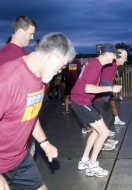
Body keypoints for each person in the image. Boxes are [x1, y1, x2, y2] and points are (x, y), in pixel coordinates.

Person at [0, 32, 76, 190]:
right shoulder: (7, 79)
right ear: (51, 57)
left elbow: (31, 115)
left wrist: (44, 143)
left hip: (20, 157)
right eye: (62, 65)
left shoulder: (41, 81)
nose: (61, 71)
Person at [70, 43, 122, 178]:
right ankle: (92, 166)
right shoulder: (95, 65)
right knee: (104, 132)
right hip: (81, 101)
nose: (115, 57)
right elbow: (88, 88)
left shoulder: (94, 62)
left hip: (81, 100)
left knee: (95, 131)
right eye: (114, 54)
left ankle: (84, 160)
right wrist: (111, 88)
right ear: (108, 54)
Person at [0, 15, 37, 157]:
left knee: (30, 152)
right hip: (14, 121)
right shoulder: (6, 55)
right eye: (30, 33)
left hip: (29, 116)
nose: (32, 37)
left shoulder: (26, 54)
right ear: (21, 31)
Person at [93, 49, 127, 150]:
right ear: (119, 57)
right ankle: (101, 142)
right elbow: (105, 81)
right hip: (100, 96)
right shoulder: (112, 66)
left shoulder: (113, 65)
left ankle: (104, 139)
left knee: (103, 117)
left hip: (100, 94)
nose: (126, 60)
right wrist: (105, 97)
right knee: (106, 117)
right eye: (125, 58)